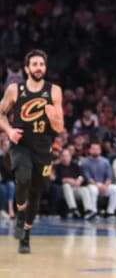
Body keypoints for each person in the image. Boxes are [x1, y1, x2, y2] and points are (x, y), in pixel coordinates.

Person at [0, 49, 64, 253]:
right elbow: (1, 113)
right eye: (35, 64)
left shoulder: (54, 90)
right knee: (23, 179)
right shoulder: (14, 89)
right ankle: (19, 213)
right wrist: (9, 131)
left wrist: (52, 116)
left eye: (42, 64)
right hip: (21, 144)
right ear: (27, 69)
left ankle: (26, 234)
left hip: (43, 148)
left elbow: (59, 128)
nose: (39, 68)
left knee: (36, 193)